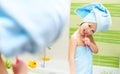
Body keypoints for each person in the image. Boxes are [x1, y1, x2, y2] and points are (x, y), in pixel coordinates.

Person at [69, 3, 112, 74]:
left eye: (92, 31)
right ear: (85, 20)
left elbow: (96, 51)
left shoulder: (89, 37)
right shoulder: (74, 38)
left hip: (88, 71)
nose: (89, 31)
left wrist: (90, 44)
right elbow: (71, 58)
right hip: (78, 71)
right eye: (89, 26)